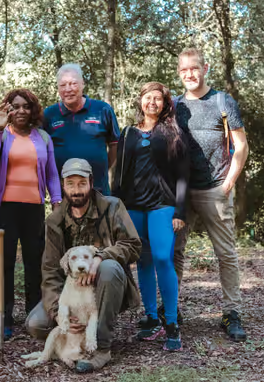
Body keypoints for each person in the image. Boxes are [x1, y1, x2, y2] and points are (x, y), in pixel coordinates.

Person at [26, 158, 142, 373]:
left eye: (81, 183)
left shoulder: (113, 206)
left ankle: (102, 347)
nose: (76, 190)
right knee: (36, 324)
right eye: (70, 184)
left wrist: (101, 256)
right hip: (71, 295)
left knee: (109, 267)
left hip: (107, 286)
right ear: (63, 186)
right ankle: (73, 334)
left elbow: (133, 245)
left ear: (91, 182)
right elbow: (50, 270)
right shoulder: (54, 221)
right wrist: (60, 313)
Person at [174, 47, 249, 342]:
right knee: (174, 252)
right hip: (181, 193)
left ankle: (232, 312)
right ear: (179, 73)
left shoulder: (222, 101)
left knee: (226, 254)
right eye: (184, 70)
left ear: (205, 68)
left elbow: (241, 145)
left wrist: (230, 180)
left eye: (194, 68)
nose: (189, 74)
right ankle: (172, 310)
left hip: (215, 188)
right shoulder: (175, 105)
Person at [112, 82, 188, 352]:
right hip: (133, 206)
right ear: (140, 101)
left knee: (162, 257)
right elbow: (119, 173)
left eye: (158, 98)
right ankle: (151, 318)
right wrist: (115, 206)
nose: (152, 102)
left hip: (162, 205)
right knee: (142, 259)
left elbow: (182, 175)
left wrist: (180, 211)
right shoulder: (128, 133)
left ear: (165, 103)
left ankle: (171, 321)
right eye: (148, 97)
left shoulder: (173, 132)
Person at [0, 89, 62, 340]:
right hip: (5, 208)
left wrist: (57, 203)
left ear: (33, 110)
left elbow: (51, 173)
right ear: (8, 110)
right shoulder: (2, 135)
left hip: (34, 208)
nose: (21, 111)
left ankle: (33, 313)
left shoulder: (43, 138)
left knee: (34, 263)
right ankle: (3, 315)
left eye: (26, 106)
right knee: (3, 263)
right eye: (15, 106)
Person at [43, 64, 120, 195]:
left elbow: (115, 145)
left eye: (73, 83)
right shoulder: (49, 114)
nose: (68, 89)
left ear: (83, 84)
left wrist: (102, 167)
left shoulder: (103, 109)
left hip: (98, 189)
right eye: (63, 85)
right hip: (64, 193)